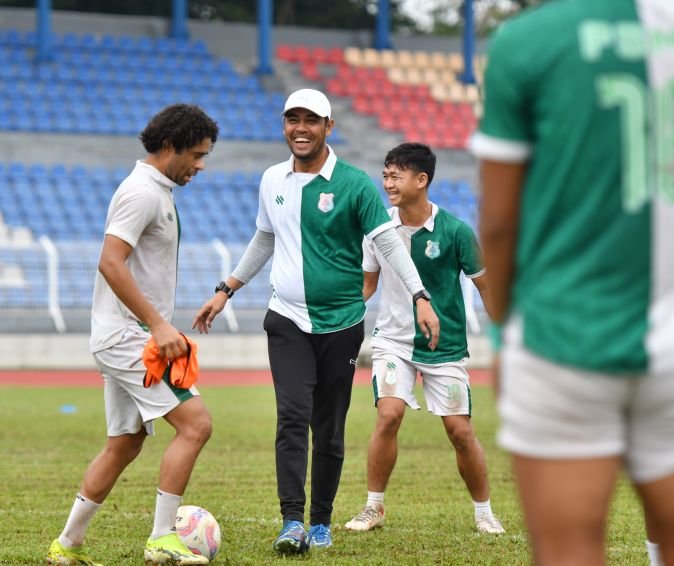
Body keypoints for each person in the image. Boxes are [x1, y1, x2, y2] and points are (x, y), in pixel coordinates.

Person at [192, 89, 440, 555]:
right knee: (291, 416)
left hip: (342, 323)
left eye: (311, 120)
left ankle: (321, 521)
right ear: (284, 125)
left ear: (329, 127)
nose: (300, 128)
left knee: (328, 425)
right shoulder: (272, 180)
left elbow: (388, 245)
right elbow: (264, 238)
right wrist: (226, 289)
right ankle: (291, 521)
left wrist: (420, 296)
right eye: (292, 119)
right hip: (286, 320)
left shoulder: (354, 184)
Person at [469, 1, 674, 564]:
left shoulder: (528, 41)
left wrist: (507, 335)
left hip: (565, 334)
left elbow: (500, 222)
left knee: (569, 550)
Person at [46, 103, 219, 566]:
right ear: (169, 147)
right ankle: (163, 537)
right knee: (196, 424)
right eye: (196, 155)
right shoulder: (141, 192)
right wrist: (158, 325)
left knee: (125, 442)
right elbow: (110, 261)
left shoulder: (157, 191)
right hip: (129, 336)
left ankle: (67, 545)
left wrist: (159, 322)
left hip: (129, 333)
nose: (200, 166)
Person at [344, 143, 504, 535]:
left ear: (422, 179)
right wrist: (334, 310)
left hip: (444, 348)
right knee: (389, 415)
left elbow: (487, 288)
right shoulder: (377, 230)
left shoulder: (456, 232)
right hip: (393, 343)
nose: (387, 183)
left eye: (395, 175)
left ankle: (484, 512)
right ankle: (373, 507)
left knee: (460, 432)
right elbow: (367, 287)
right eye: (385, 175)